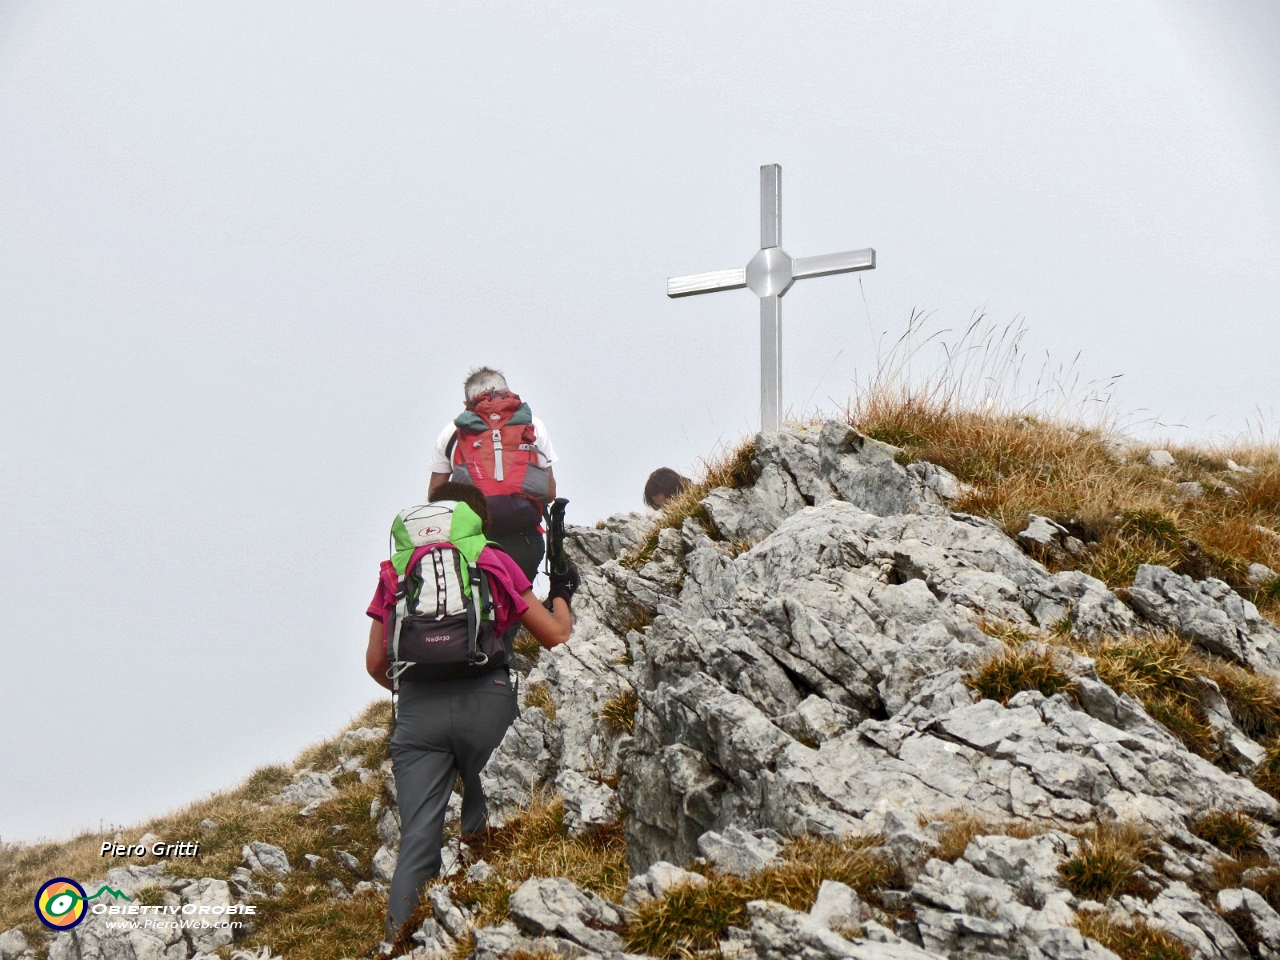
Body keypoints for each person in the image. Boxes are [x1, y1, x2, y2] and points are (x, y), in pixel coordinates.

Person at [364, 482, 580, 945]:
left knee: (417, 843)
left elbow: (376, 664)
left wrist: (416, 688)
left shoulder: (397, 569)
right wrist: (561, 591)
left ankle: (399, 946)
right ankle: (486, 940)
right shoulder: (491, 558)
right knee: (489, 829)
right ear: (479, 521)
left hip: (418, 714)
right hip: (488, 702)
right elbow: (557, 636)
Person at [427, 367, 557, 583]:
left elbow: (435, 498)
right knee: (521, 605)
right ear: (508, 393)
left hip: (473, 542)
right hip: (524, 540)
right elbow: (550, 492)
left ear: (466, 404)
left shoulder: (452, 431)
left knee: (481, 609)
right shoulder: (533, 424)